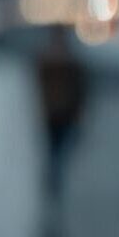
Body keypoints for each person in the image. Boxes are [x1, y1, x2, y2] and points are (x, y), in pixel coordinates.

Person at [34, 27, 87, 200]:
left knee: (59, 148)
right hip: (54, 114)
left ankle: (54, 175)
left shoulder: (68, 63)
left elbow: (79, 90)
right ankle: (53, 176)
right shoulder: (50, 61)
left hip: (64, 113)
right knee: (54, 148)